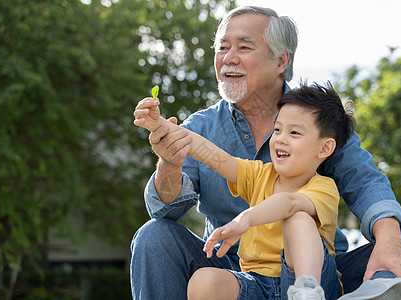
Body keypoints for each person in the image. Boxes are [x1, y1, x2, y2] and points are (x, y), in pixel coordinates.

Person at [130, 5, 401, 300]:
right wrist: (169, 162)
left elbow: (365, 182)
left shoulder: (319, 119)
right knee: (154, 235)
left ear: (280, 61)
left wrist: (389, 241)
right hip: (234, 272)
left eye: (243, 48)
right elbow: (165, 210)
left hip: (315, 272)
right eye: (222, 48)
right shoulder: (200, 126)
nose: (228, 59)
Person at [134, 82, 355, 299]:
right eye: (277, 129)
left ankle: (307, 293)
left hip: (308, 280)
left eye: (294, 133)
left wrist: (246, 219)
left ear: (325, 147)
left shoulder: (324, 188)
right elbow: (212, 155)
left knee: (297, 219)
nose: (280, 139)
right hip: (256, 282)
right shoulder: (258, 174)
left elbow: (289, 203)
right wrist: (161, 126)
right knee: (204, 281)